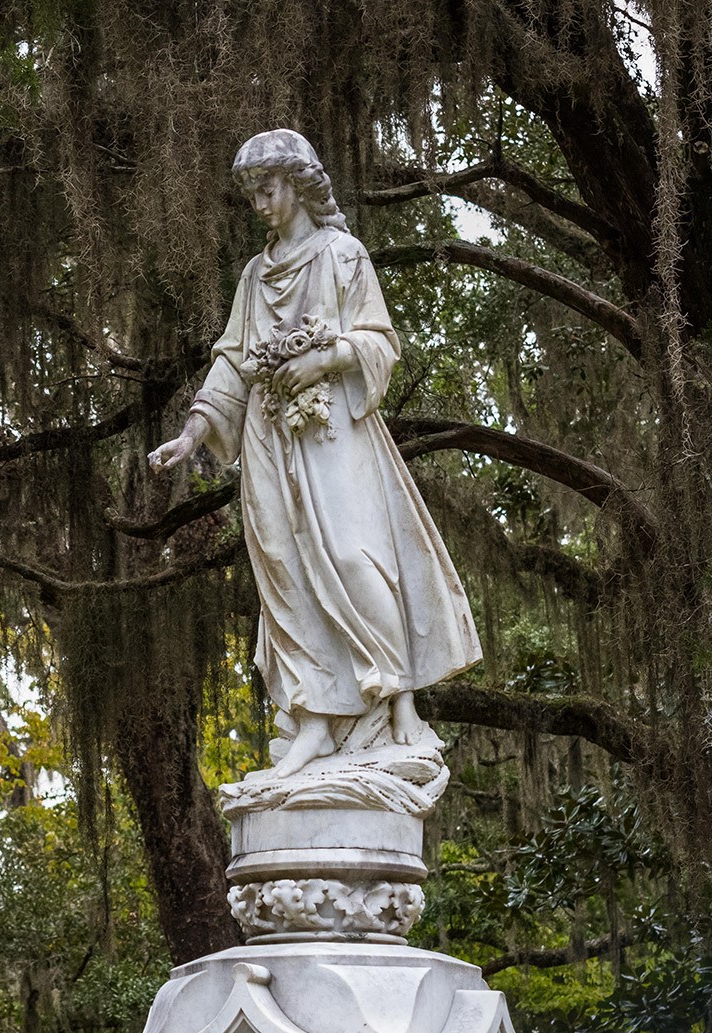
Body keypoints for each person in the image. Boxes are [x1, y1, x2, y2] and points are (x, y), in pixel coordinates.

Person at [150, 129, 480, 778]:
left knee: (356, 558)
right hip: (269, 438)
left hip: (332, 433)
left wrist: (324, 359)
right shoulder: (255, 274)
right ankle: (314, 719)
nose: (259, 204)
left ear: (298, 186)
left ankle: (398, 701)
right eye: (250, 194)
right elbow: (233, 362)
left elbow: (380, 342)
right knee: (285, 570)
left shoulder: (342, 255)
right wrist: (192, 432)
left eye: (267, 189)